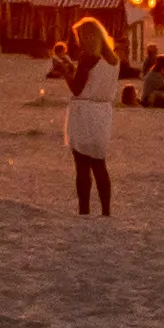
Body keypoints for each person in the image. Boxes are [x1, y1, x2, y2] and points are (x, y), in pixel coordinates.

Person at [54, 24, 114, 219]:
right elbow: (94, 82)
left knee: (81, 165)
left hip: (84, 111)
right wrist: (73, 69)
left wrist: (64, 73)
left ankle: (84, 210)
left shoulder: (87, 58)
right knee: (99, 164)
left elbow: (78, 88)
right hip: (103, 112)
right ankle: (106, 210)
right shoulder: (114, 60)